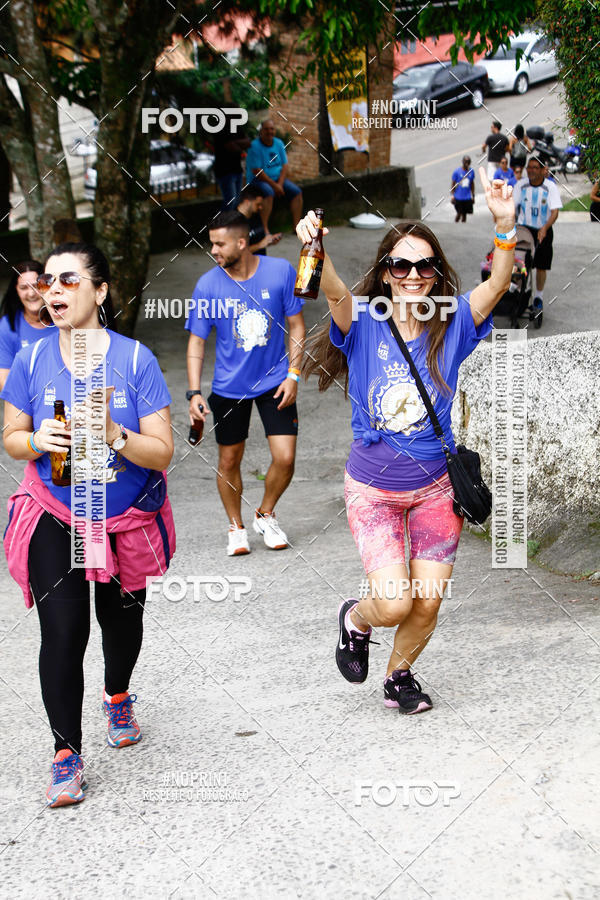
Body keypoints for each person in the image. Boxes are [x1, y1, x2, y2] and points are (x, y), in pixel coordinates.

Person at [298, 170, 516, 714]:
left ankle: (399, 676)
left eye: (425, 265)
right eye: (402, 264)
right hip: (372, 491)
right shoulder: (366, 322)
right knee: (393, 602)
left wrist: (505, 228)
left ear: (436, 272)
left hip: (437, 491)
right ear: (387, 273)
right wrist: (317, 252)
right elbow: (336, 294)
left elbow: (496, 286)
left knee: (428, 600)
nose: (413, 274)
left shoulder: (455, 323)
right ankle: (355, 617)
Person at [1, 242, 175, 808]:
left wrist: (114, 436)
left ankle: (117, 692)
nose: (53, 292)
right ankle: (65, 754)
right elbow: (9, 439)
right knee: (64, 631)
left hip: (122, 519)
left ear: (100, 292)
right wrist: (33, 440)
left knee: (121, 625)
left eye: (69, 281)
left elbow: (164, 452)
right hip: (57, 511)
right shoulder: (30, 360)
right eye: (48, 282)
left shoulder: (133, 361)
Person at [185, 211, 305, 556]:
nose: (213, 250)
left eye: (219, 244)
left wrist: (294, 374)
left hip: (275, 383)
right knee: (228, 461)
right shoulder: (208, 285)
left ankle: (265, 514)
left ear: (241, 242)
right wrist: (194, 392)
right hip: (228, 388)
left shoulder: (280, 272)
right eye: (212, 243)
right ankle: (236, 526)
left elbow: (296, 325)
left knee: (285, 458)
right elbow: (196, 341)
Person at [512, 154, 563, 319]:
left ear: (543, 170)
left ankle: (538, 297)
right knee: (520, 264)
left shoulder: (550, 187)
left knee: (541, 265)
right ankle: (518, 294)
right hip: (524, 230)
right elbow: (513, 208)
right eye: (529, 168)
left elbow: (555, 211)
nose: (531, 171)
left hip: (543, 230)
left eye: (535, 168)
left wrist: (545, 228)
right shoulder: (521, 185)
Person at [245, 119, 303, 233]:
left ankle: (296, 227)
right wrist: (275, 186)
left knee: (297, 192)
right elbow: (257, 171)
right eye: (266, 129)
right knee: (269, 192)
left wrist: (280, 184)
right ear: (261, 131)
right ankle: (264, 230)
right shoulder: (254, 146)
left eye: (271, 129)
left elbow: (284, 165)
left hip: (277, 179)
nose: (269, 131)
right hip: (258, 180)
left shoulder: (279, 143)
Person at [0, 259, 50, 388]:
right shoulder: (8, 326)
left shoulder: (63, 320)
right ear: (16, 290)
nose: (31, 293)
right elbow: (5, 381)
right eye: (23, 288)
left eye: (36, 286)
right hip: (25, 403)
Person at [212, 115, 251, 210]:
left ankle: (231, 223)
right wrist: (239, 145)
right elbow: (232, 147)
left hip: (237, 169)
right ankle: (222, 223)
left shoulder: (237, 128)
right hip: (225, 171)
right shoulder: (221, 130)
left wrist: (236, 143)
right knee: (230, 201)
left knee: (236, 201)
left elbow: (248, 142)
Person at [237, 183, 282, 255]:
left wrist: (269, 241)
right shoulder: (234, 222)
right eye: (258, 204)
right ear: (247, 202)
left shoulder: (256, 215)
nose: (260, 207)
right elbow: (236, 252)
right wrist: (260, 245)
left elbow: (261, 242)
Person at [450, 155, 475, 223]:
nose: (467, 163)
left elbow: (472, 184)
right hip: (458, 197)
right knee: (459, 213)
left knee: (465, 214)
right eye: (465, 161)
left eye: (468, 162)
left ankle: (463, 227)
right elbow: (453, 184)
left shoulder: (471, 172)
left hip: (467, 197)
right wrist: (452, 195)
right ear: (462, 162)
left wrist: (473, 195)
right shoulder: (457, 172)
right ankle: (455, 224)